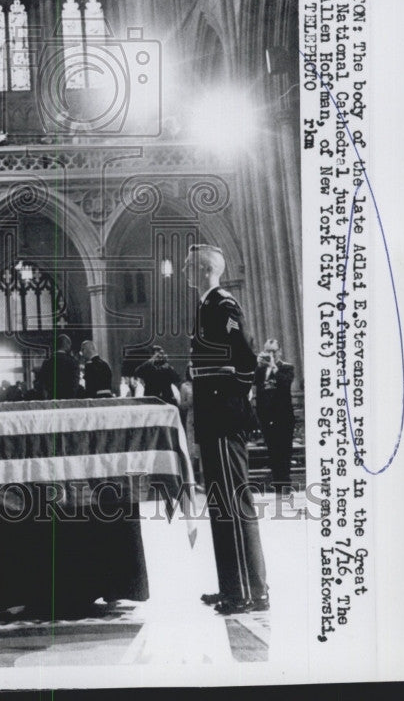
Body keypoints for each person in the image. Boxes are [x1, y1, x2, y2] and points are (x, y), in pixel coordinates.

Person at [183, 244, 269, 616]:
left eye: (188, 265)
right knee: (221, 504)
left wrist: (225, 397)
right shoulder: (207, 306)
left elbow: (245, 360)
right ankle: (232, 586)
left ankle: (251, 591)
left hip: (223, 415)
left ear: (203, 269)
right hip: (213, 415)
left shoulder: (223, 305)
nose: (184, 270)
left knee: (234, 502)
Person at [253, 339, 295, 487]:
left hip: (283, 416)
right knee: (272, 450)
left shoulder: (286, 367)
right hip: (266, 416)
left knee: (284, 450)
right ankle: (277, 482)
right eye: (267, 351)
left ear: (280, 351)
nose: (271, 354)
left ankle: (285, 483)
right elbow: (253, 383)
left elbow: (285, 384)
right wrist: (257, 364)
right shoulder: (260, 370)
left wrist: (273, 367)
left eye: (273, 351)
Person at [34, 333, 82, 400]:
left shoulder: (48, 361)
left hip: (52, 399)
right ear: (67, 345)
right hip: (69, 399)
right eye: (70, 345)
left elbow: (42, 382)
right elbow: (75, 382)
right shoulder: (72, 361)